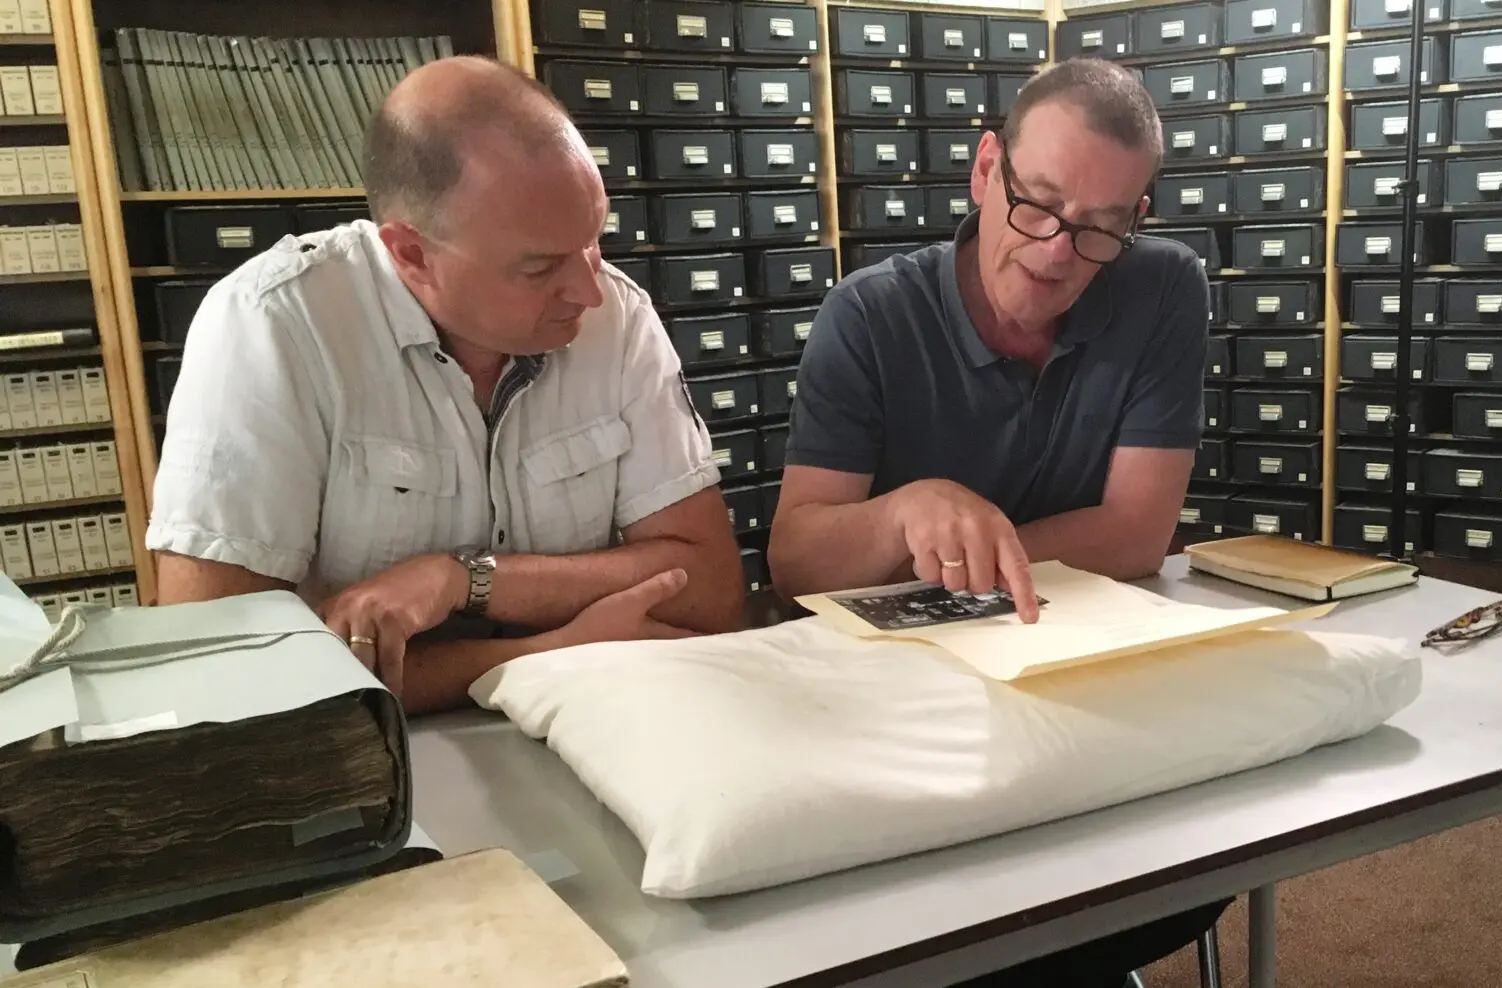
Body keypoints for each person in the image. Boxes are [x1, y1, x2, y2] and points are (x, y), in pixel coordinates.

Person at [767, 58, 1223, 987]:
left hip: (1083, 686)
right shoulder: (867, 317)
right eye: (1038, 206)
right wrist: (905, 513)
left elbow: (1139, 536)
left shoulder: (1166, 288)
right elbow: (796, 560)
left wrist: (962, 556)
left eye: (1100, 228)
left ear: (1136, 219)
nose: (1057, 252)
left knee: (1194, 855)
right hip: (906, 714)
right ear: (985, 171)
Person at [145, 56, 746, 714]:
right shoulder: (273, 327)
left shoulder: (618, 319)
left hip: (589, 716)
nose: (588, 289)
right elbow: (223, 670)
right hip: (370, 747)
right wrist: (547, 653)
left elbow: (708, 591)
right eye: (540, 267)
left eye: (593, 240)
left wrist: (461, 581)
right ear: (412, 255)